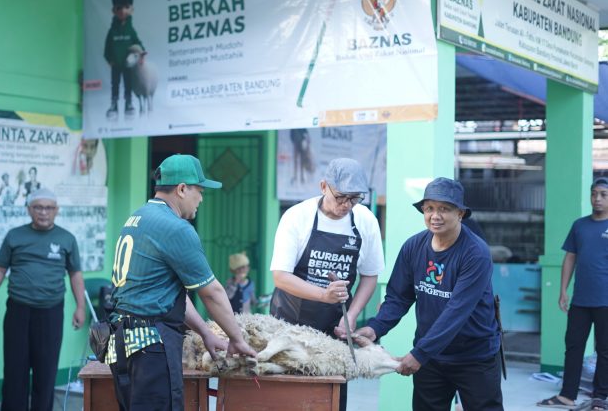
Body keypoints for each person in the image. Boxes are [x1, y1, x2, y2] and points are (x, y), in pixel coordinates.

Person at [107, 154, 256, 411]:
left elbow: (169, 293)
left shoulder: (138, 218)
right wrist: (237, 338)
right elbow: (212, 293)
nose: (202, 198)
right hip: (150, 348)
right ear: (182, 189)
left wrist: (206, 333)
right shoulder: (176, 228)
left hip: (122, 345)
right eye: (200, 190)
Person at [356, 177, 503, 411]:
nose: (436, 215)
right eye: (430, 208)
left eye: (445, 209)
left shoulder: (476, 253)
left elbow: (456, 312)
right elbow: (398, 297)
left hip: (474, 357)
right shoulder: (413, 247)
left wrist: (418, 354)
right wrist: (375, 328)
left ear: (461, 214)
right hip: (432, 359)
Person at [269, 157, 385, 411]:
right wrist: (323, 294)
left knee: (329, 400)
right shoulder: (297, 217)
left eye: (354, 199)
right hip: (290, 324)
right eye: (340, 197)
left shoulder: (365, 221)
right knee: (287, 399)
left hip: (334, 329)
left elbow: (370, 275)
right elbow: (280, 276)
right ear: (324, 186)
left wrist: (352, 315)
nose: (346, 205)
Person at [0, 188, 86, 411]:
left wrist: (80, 307)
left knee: (45, 371)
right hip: (18, 310)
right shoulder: (15, 236)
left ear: (56, 210)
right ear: (29, 210)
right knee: (15, 370)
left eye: (48, 208)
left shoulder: (67, 238)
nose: (43, 212)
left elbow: (75, 273)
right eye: (38, 207)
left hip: (51, 312)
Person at [537, 177, 608, 411]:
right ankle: (567, 395)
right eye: (594, 193)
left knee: (605, 350)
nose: (597, 199)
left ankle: (600, 397)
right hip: (580, 299)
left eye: (603, 195)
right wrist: (562, 290)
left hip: (605, 301)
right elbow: (570, 257)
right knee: (573, 346)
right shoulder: (579, 225)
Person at [104, 0, 143, 116]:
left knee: (128, 83)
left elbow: (137, 44)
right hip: (116, 64)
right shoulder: (111, 31)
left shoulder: (131, 30)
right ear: (113, 10)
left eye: (126, 7)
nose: (122, 11)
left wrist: (141, 54)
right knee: (114, 84)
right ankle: (114, 105)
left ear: (131, 9)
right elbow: (107, 49)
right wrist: (110, 60)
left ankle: (128, 104)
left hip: (128, 65)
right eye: (118, 8)